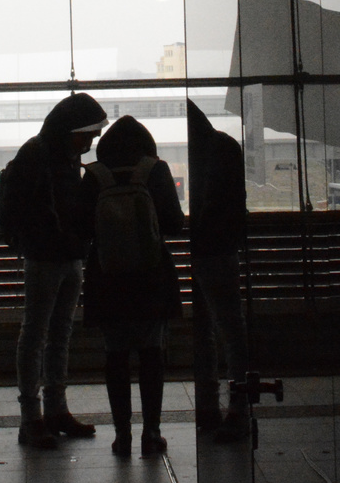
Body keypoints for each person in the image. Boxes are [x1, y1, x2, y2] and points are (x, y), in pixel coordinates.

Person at [3, 92, 107, 448]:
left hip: (61, 255)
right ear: (71, 130)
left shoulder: (53, 154)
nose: (90, 142)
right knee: (40, 334)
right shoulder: (41, 156)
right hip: (48, 257)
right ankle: (36, 415)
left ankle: (49, 412)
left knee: (52, 333)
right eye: (87, 135)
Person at [80, 115, 185, 457]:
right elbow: (174, 224)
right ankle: (151, 433)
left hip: (107, 280)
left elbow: (81, 228)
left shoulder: (95, 174)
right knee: (152, 354)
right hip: (149, 278)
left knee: (116, 356)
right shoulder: (155, 170)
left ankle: (122, 434)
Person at [187, 101, 251, 442]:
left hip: (208, 250)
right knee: (229, 329)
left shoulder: (206, 152)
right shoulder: (225, 147)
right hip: (222, 249)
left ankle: (214, 407)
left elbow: (209, 204)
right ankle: (235, 405)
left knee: (209, 332)